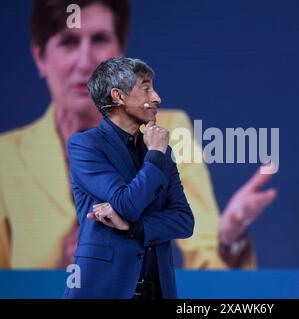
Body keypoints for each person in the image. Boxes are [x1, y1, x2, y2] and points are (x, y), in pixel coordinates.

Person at [0, 0, 276, 270]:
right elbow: (126, 205)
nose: (85, 62)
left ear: (120, 55)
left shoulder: (170, 130)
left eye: (99, 39)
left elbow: (186, 226)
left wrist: (227, 239)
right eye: (69, 42)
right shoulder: (8, 155)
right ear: (40, 57)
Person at [63, 56, 194, 299]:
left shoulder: (162, 152)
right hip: (102, 290)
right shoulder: (86, 145)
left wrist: (134, 228)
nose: (156, 98)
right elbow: (127, 204)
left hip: (157, 291)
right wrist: (155, 154)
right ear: (118, 96)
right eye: (146, 89)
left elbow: (184, 221)